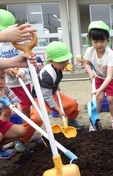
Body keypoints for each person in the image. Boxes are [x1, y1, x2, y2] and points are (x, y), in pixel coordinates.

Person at [30, 41, 84, 143]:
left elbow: (54, 81)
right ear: (51, 61)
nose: (65, 64)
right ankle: (22, 139)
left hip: (51, 93)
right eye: (61, 62)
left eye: (66, 61)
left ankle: (71, 121)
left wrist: (56, 85)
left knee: (72, 104)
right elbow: (46, 96)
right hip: (40, 97)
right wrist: (58, 110)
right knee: (37, 119)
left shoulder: (57, 68)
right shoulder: (47, 74)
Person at [0, 9, 35, 152]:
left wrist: (15, 63)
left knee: (23, 117)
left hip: (17, 82)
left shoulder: (4, 87)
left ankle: (20, 136)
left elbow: (12, 98)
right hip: (10, 82)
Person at [80, 21, 113, 131]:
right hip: (98, 76)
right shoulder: (90, 51)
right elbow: (86, 63)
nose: (99, 44)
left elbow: (109, 76)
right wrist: (90, 72)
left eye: (102, 41)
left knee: (111, 99)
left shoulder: (110, 54)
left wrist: (100, 89)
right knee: (99, 99)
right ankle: (94, 120)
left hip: (112, 78)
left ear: (108, 39)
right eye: (95, 41)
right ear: (91, 40)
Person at [0, 69, 26, 159]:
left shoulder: (5, 89)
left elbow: (17, 103)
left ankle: (0, 148)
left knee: (21, 131)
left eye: (2, 77)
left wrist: (17, 106)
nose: (0, 82)